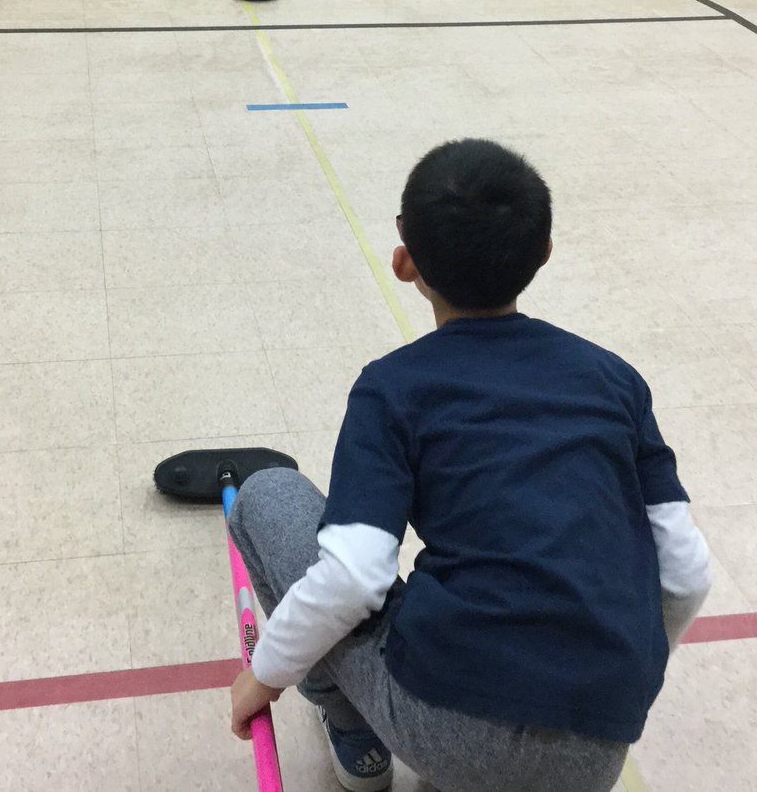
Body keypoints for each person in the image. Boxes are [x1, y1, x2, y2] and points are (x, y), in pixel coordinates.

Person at [227, 138, 712, 792]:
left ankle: (356, 736)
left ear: (404, 261)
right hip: (598, 750)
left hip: (449, 727)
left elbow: (351, 579)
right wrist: (615, 672)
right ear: (542, 252)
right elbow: (685, 572)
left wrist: (265, 674)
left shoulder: (393, 388)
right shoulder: (614, 380)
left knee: (269, 492)